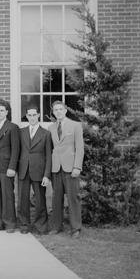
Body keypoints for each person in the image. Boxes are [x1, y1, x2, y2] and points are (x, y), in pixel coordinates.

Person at [48, 100, 84, 239]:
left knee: (73, 198)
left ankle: (76, 228)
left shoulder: (75, 125)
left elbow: (79, 148)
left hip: (71, 168)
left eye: (60, 109)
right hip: (56, 168)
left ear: (65, 110)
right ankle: (57, 226)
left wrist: (77, 167)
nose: (58, 112)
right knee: (56, 199)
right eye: (55, 110)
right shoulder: (51, 128)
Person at [18, 105, 52, 235]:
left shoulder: (46, 133)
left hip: (39, 170)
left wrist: (46, 175)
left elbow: (49, 156)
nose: (32, 117)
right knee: (22, 199)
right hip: (23, 169)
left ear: (38, 115)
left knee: (40, 200)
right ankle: (24, 225)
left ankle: (41, 226)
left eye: (34, 115)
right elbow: (17, 151)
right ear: (26, 116)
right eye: (29, 115)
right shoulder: (21, 132)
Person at [0, 103, 20, 233]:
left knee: (7, 195)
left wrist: (12, 167)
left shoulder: (12, 127)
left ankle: (10, 223)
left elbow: (15, 149)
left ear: (7, 112)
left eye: (2, 110)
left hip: (6, 166)